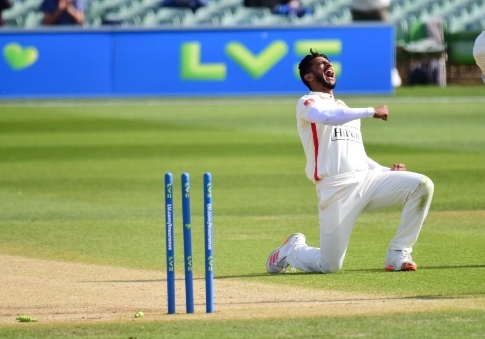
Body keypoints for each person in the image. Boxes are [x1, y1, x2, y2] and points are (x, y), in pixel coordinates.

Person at [266, 49, 434, 274]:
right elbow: (325, 117)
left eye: (329, 63)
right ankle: (293, 250)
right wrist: (370, 111)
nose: (328, 66)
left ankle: (398, 253)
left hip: (368, 180)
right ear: (309, 77)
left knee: (422, 185)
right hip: (336, 188)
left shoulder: (345, 109)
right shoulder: (307, 103)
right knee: (329, 266)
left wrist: (385, 170)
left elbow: (357, 155)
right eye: (321, 65)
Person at [351, 0, 402, 87]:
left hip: (378, 7)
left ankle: (391, 72)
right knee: (360, 46)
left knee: (384, 43)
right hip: (358, 8)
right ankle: (361, 77)